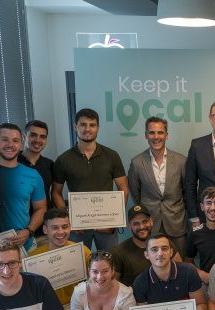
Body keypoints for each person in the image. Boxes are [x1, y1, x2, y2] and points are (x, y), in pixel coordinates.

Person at [52, 108, 128, 251]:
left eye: (92, 125)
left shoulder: (112, 156)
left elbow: (123, 188)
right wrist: (68, 219)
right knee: (77, 263)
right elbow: (56, 192)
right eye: (83, 124)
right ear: (75, 127)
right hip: (78, 226)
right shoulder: (63, 159)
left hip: (107, 225)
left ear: (98, 128)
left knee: (110, 261)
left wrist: (115, 220)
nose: (87, 129)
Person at [127, 116, 188, 257]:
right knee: (153, 263)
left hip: (177, 224)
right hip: (150, 225)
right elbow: (136, 195)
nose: (156, 137)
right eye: (152, 133)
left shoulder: (181, 161)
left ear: (166, 135)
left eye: (160, 132)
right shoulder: (137, 163)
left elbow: (186, 192)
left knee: (180, 264)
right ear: (146, 135)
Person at [28, 208, 91, 310]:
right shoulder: (33, 258)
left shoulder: (83, 251)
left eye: (65, 227)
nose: (61, 232)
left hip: (76, 306)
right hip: (47, 309)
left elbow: (93, 282)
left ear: (70, 227)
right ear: (45, 230)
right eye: (54, 228)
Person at [185, 187, 215, 285]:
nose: (213, 207)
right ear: (202, 207)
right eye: (209, 203)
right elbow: (188, 262)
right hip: (207, 283)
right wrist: (202, 274)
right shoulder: (195, 233)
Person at [111, 205, 154, 287]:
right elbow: (113, 285)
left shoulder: (164, 244)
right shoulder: (119, 252)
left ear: (151, 221)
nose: (141, 227)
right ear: (129, 225)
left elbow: (178, 273)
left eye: (145, 221)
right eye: (136, 223)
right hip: (132, 295)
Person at [19, 119, 54, 206]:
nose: (38, 140)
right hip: (20, 214)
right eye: (33, 135)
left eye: (42, 137)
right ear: (24, 137)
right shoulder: (13, 163)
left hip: (47, 214)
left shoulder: (50, 164)